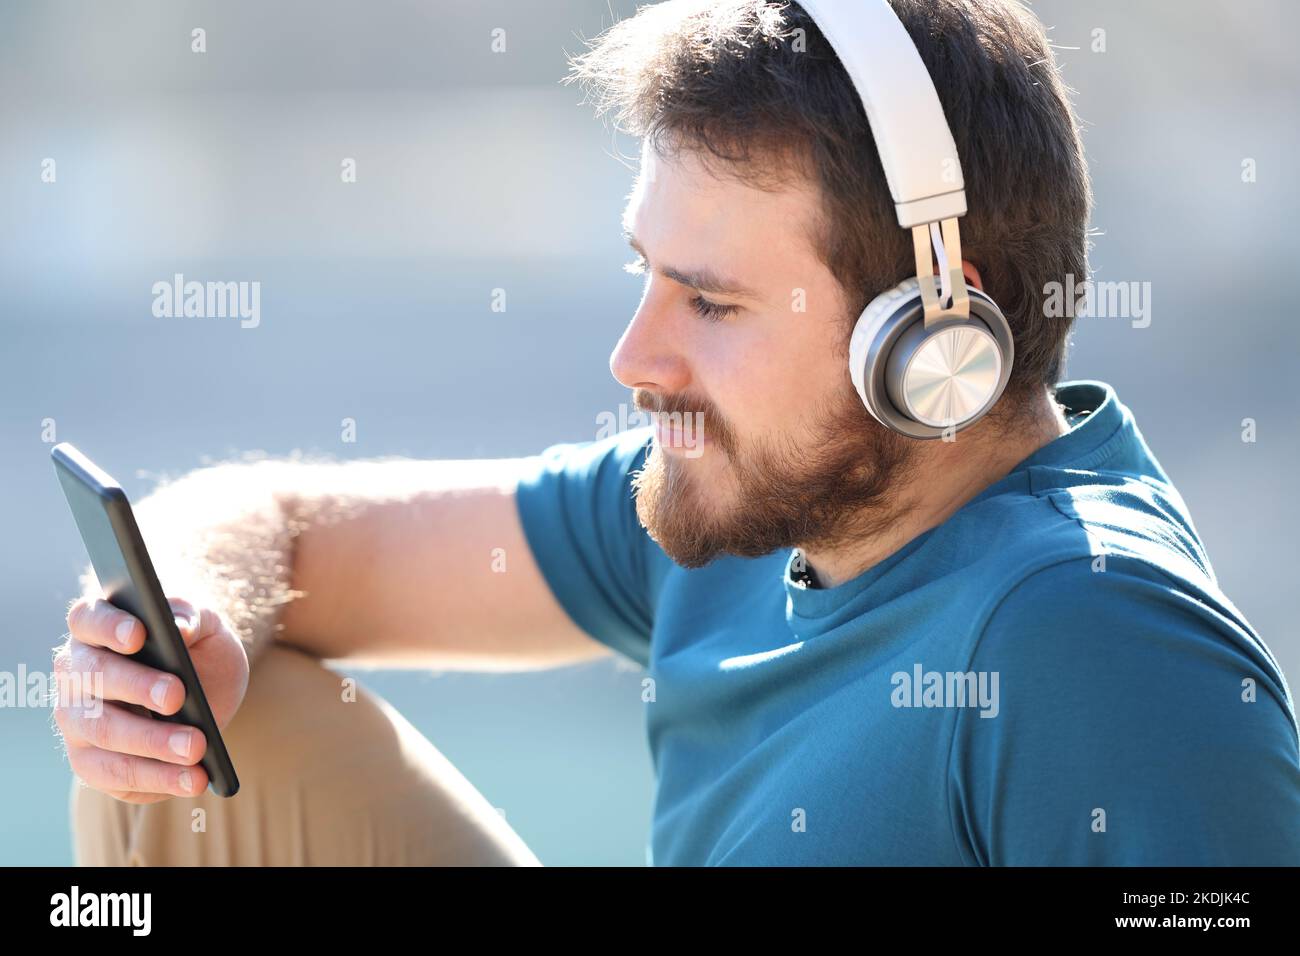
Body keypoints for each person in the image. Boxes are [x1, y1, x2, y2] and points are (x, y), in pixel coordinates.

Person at [53, 0, 1300, 865]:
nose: (634, 358)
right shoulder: (746, 493)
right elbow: (272, 525)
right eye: (646, 273)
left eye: (710, 302)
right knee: (201, 729)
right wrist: (167, 634)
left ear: (931, 330)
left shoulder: (1094, 638)